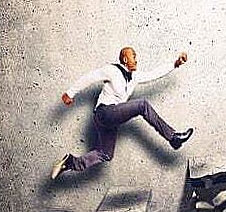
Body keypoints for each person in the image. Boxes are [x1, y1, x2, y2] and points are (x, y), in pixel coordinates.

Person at [51, 46, 193, 180]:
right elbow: (89, 77)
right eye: (134, 56)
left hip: (110, 119)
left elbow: (153, 74)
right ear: (125, 59)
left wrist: (175, 63)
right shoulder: (111, 70)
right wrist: (69, 93)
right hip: (104, 112)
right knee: (142, 105)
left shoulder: (134, 77)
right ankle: (173, 137)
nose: (136, 60)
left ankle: (70, 162)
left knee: (105, 154)